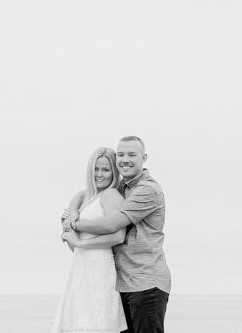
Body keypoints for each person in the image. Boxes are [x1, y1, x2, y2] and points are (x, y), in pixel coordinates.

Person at [64, 136, 171, 333]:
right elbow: (86, 193)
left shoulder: (147, 189)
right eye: (120, 154)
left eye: (132, 154)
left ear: (144, 157)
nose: (125, 159)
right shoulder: (120, 188)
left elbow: (110, 225)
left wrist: (74, 225)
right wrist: (72, 210)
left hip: (145, 281)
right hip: (121, 283)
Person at [52, 147, 127, 333]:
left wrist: (80, 242)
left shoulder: (111, 195)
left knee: (95, 323)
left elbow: (118, 236)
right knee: (75, 322)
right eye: (96, 168)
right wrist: (67, 229)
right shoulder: (81, 196)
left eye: (105, 169)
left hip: (100, 268)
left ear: (114, 172)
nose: (99, 174)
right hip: (80, 267)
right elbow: (73, 245)